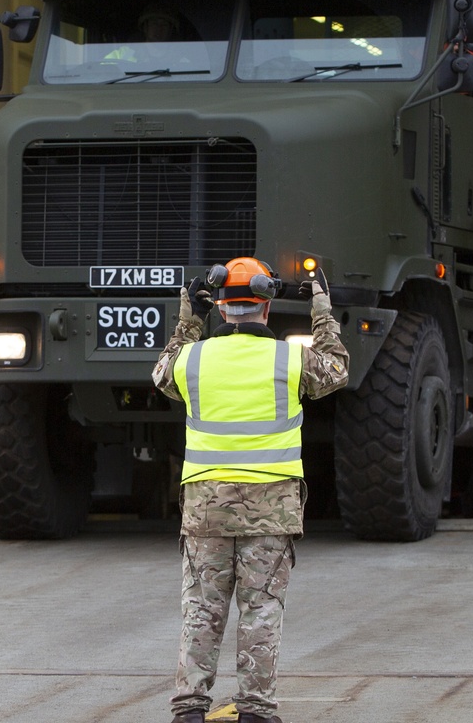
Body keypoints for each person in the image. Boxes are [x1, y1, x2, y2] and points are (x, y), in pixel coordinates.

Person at [151, 256, 349, 723]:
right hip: (270, 511)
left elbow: (162, 372)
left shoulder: (191, 361)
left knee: (202, 610)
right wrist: (321, 308)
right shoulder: (289, 358)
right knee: (260, 612)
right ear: (266, 306)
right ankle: (257, 711)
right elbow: (336, 369)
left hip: (207, 510)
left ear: (220, 308)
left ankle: (189, 710)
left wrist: (187, 317)